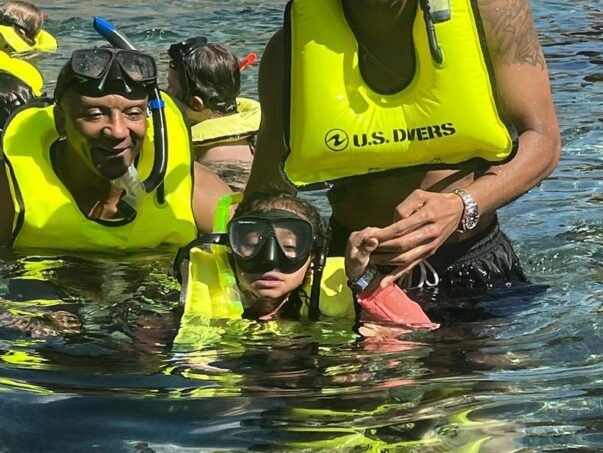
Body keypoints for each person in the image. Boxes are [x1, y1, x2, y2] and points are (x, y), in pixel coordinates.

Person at [246, 0, 560, 294]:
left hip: (472, 261)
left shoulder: (490, 2)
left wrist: (461, 205)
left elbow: (544, 141)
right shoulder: (290, 51)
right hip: (352, 270)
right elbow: (269, 192)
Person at [0, 46, 230, 251]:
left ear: (148, 119)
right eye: (95, 114)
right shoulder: (10, 188)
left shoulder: (187, 183)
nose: (118, 131)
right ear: (61, 122)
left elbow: (256, 245)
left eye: (133, 113)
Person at [177, 187, 436, 331]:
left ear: (314, 256)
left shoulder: (346, 295)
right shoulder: (188, 300)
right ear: (231, 250)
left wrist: (364, 279)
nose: (270, 260)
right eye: (251, 245)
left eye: (289, 247)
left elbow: (418, 329)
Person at [167, 37, 260, 190]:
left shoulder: (216, 155)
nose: (165, 92)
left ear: (196, 103)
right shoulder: (244, 138)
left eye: (171, 87)